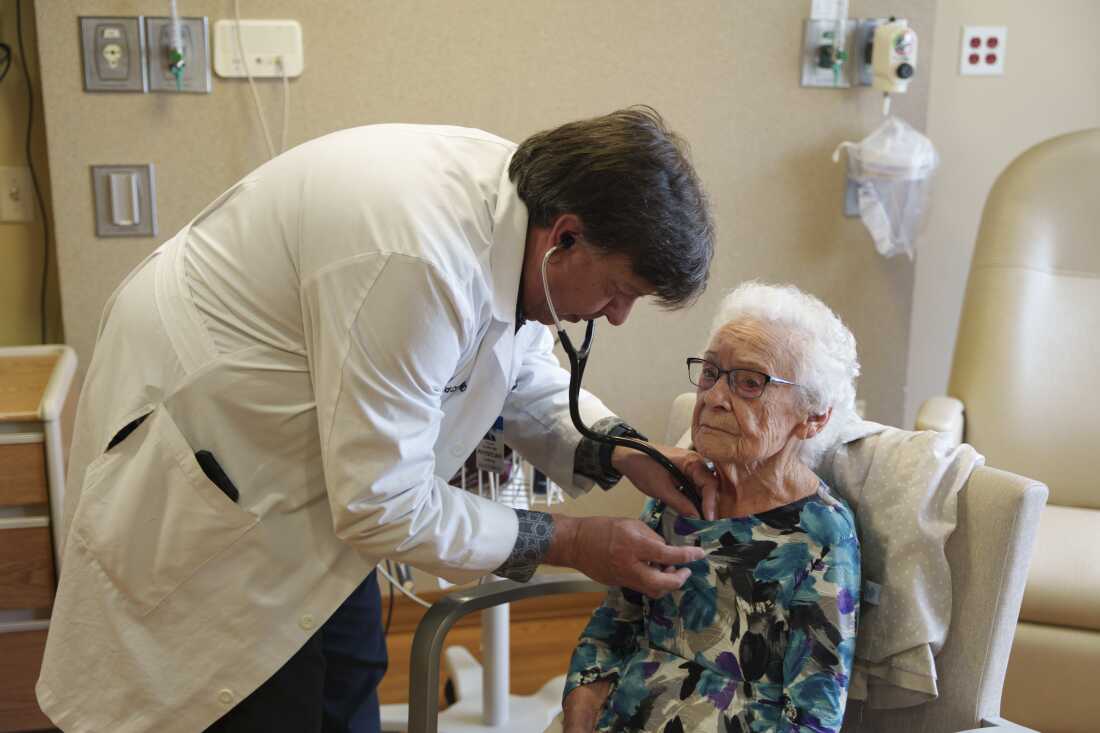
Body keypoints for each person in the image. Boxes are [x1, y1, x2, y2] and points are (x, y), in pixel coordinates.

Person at [37, 108, 720, 733]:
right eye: (621, 291)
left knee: (349, 674)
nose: (618, 315)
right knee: (263, 700)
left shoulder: (532, 213)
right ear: (567, 236)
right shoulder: (417, 254)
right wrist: (572, 540)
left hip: (316, 473)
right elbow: (382, 503)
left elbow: (518, 367)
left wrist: (623, 450)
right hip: (217, 450)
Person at [560, 282, 862, 733]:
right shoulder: (679, 494)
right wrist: (581, 695)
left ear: (813, 417)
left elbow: (814, 714)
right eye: (710, 373)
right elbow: (614, 623)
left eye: (749, 382)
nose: (715, 397)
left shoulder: (821, 534)